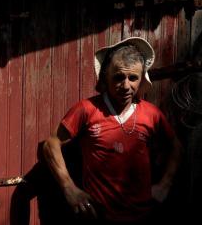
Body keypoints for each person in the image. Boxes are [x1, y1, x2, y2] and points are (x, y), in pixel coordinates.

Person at [42, 37, 183, 224]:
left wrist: (165, 184)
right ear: (106, 77)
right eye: (118, 77)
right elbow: (51, 144)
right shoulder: (87, 109)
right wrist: (69, 189)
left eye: (133, 78)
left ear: (141, 80)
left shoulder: (152, 114)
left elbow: (176, 146)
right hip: (97, 217)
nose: (126, 86)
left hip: (144, 216)